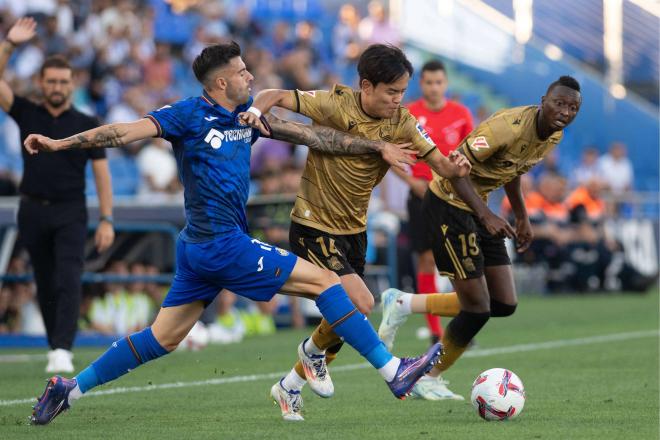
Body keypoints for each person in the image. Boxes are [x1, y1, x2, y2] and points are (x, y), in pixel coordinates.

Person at [26, 41, 442, 426]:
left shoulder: (248, 118)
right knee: (328, 282)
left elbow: (317, 137)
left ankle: (69, 390)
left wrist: (374, 148)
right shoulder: (187, 114)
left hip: (200, 249)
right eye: (243, 73)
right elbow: (122, 131)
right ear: (222, 81)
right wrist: (61, 145)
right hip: (220, 243)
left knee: (162, 337)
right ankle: (391, 370)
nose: (251, 78)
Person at [240, 44, 472, 420]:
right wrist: (252, 112)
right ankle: (367, 364)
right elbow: (273, 96)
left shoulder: (403, 123)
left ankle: (290, 384)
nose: (399, 100)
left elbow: (441, 166)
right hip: (313, 223)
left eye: (402, 92)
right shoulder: (334, 104)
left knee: (342, 319)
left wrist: (457, 169)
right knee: (361, 304)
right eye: (391, 92)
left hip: (354, 231)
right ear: (366, 85)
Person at [378, 75, 582, 399]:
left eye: (573, 107)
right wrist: (486, 215)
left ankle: (403, 303)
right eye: (560, 103)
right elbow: (454, 167)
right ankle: (426, 377)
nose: (565, 112)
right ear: (544, 100)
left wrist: (522, 217)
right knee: (477, 309)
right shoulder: (507, 126)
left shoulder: (553, 134)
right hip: (447, 204)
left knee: (503, 303)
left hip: (478, 206)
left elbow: (513, 171)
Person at [0, 18, 115, 373]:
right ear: (40, 82)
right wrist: (9, 44)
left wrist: (107, 218)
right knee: (45, 281)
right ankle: (56, 344)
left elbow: (101, 171)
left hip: (71, 210)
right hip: (32, 209)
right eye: (50, 80)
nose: (57, 86)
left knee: (68, 276)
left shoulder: (86, 121)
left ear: (71, 84)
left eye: (63, 81)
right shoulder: (27, 111)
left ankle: (63, 347)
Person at [396, 59, 473, 353]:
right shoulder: (410, 114)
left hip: (453, 198)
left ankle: (464, 324)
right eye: (428, 82)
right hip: (422, 196)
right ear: (421, 84)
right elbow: (391, 155)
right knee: (427, 261)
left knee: (458, 262)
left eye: (438, 82)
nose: (433, 87)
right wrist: (412, 181)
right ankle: (434, 331)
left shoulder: (460, 113)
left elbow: (470, 156)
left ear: (446, 83)